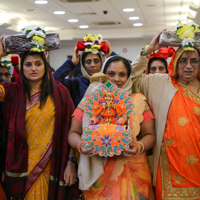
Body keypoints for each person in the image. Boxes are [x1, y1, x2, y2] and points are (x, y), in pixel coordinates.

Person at [0, 34, 80, 199]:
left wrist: (71, 162)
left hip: (53, 165)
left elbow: (73, 129)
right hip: (21, 166)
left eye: (38, 64)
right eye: (28, 64)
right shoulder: (11, 91)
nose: (33, 68)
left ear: (45, 66)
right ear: (21, 67)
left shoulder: (61, 93)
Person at [68, 55, 156, 199]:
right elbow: (73, 132)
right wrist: (81, 146)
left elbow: (150, 135)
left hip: (134, 170)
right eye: (111, 74)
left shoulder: (138, 101)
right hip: (99, 171)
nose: (116, 79)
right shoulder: (91, 99)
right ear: (104, 75)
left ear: (128, 77)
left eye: (122, 75)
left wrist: (138, 146)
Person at [130, 27, 200, 199]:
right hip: (169, 168)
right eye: (183, 60)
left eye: (194, 61)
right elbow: (130, 78)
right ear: (175, 62)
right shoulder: (160, 83)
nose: (188, 66)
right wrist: (148, 51)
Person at [53, 36, 121, 108]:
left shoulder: (110, 82)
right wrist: (71, 63)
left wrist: (112, 56)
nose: (92, 65)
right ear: (83, 64)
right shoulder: (75, 83)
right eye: (88, 62)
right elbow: (53, 80)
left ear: (102, 62)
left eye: (96, 61)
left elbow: (131, 73)